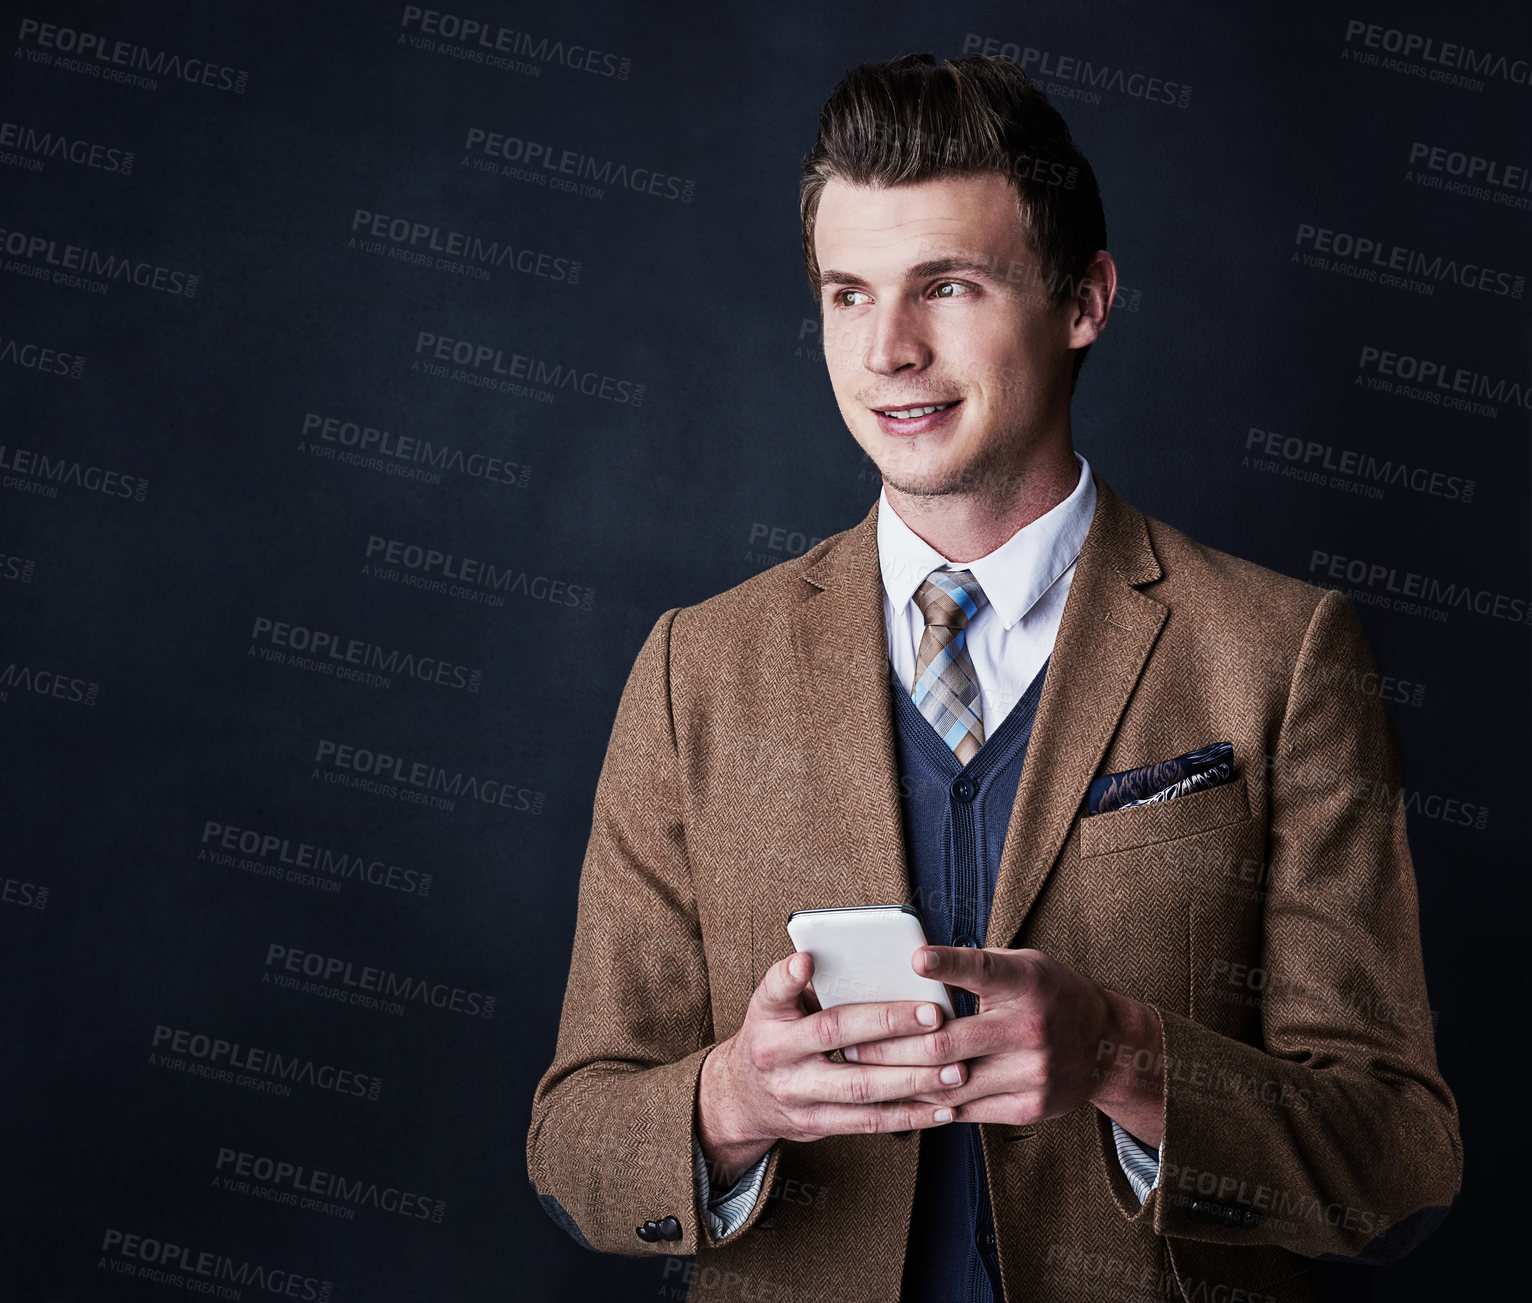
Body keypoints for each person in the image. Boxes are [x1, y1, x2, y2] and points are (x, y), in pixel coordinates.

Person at [527, 52, 1461, 1303]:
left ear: (1084, 300)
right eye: (846, 295)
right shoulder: (695, 670)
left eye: (946, 286)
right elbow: (572, 1142)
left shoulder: (1280, 657)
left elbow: (1398, 1161)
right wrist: (730, 1099)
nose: (888, 351)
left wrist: (1126, 1058)